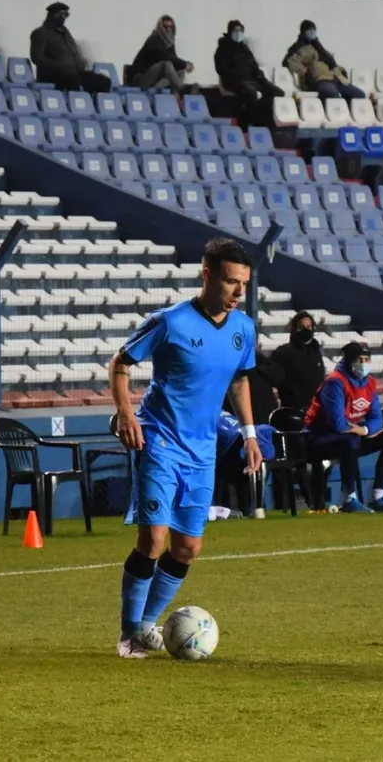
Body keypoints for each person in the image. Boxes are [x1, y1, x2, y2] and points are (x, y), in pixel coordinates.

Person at [111, 238, 261, 659]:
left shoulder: (243, 329)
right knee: (153, 539)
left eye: (244, 285)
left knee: (187, 549)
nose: (238, 293)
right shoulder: (170, 322)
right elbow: (120, 364)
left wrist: (249, 432)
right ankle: (130, 635)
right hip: (159, 440)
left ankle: (147, 624)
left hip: (203, 451)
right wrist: (127, 414)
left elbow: (240, 380)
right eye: (231, 282)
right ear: (208, 275)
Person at [304, 342, 383, 513]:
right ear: (349, 360)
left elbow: (378, 418)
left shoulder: (369, 383)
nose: (363, 364)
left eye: (366, 359)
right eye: (359, 359)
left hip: (351, 436)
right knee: (351, 439)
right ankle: (349, 498)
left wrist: (365, 430)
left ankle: (378, 497)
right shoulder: (335, 382)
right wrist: (362, 430)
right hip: (318, 438)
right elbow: (338, 424)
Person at [29, 2, 111, 95]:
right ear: (51, 15)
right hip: (53, 75)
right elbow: (37, 58)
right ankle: (75, 106)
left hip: (74, 73)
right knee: (73, 80)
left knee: (103, 82)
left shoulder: (65, 33)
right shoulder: (41, 33)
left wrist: (80, 62)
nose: (63, 17)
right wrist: (58, 66)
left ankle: (94, 106)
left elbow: (73, 52)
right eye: (60, 14)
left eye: (65, 14)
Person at [214, 20, 284, 126]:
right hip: (235, 81)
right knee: (251, 93)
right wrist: (236, 75)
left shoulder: (244, 48)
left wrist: (262, 78)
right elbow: (221, 69)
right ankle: (244, 124)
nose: (238, 34)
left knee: (278, 93)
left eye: (240, 31)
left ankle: (257, 116)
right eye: (235, 31)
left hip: (251, 80)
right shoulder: (223, 48)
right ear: (229, 32)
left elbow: (254, 65)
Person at [282, 20, 365, 101]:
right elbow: (289, 61)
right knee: (333, 95)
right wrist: (305, 72)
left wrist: (340, 70)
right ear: (303, 32)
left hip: (337, 78)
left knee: (359, 95)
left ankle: (349, 111)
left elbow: (330, 62)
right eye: (309, 30)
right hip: (321, 80)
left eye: (313, 29)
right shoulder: (300, 48)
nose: (312, 32)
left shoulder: (318, 46)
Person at [214, 411, 277, 515]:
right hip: (235, 446)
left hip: (236, 446)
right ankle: (252, 509)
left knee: (243, 477)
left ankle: (250, 509)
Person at [271, 311, 326, 413]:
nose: (306, 330)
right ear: (295, 329)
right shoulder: (283, 352)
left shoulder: (316, 350)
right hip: (292, 409)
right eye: (301, 327)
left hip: (316, 408)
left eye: (309, 326)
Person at [128, 15, 193, 93]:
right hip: (140, 78)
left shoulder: (169, 43)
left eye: (171, 27)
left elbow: (174, 60)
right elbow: (165, 56)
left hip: (155, 79)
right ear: (160, 27)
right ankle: (182, 90)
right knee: (166, 64)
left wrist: (185, 65)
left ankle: (167, 93)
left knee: (180, 71)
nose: (169, 30)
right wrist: (185, 64)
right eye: (166, 27)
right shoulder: (154, 40)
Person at [224, 346, 283, 425]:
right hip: (242, 420)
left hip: (264, 419)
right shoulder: (227, 363)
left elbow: (278, 377)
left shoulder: (258, 360)